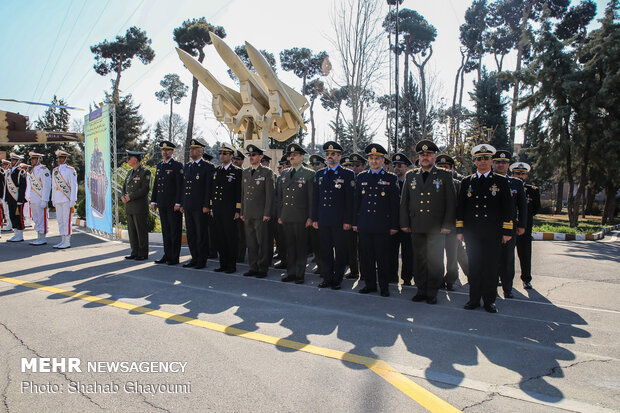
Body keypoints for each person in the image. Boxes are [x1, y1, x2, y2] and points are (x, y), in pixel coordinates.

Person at [456, 144, 513, 313]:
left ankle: (489, 301)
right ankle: (473, 299)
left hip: (493, 232)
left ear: (491, 161)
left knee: (490, 267)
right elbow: (461, 207)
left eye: (486, 158)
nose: (483, 161)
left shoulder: (500, 181)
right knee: (474, 266)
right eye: (479, 159)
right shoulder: (467, 182)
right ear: (475, 161)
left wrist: (507, 231)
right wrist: (460, 230)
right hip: (472, 233)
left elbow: (508, 208)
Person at [400, 140, 456, 304]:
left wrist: (447, 224)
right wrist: (404, 222)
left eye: (428, 154)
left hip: (436, 227)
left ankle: (432, 292)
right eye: (422, 154)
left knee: (435, 260)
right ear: (418, 157)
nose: (425, 157)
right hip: (417, 225)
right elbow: (405, 201)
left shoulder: (444, 175)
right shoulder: (411, 175)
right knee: (419, 259)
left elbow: (451, 202)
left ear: (434, 157)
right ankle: (421, 289)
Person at [353, 143, 399, 297]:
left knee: (383, 258)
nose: (374, 161)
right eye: (371, 158)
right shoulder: (362, 177)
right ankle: (370, 285)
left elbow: (394, 205)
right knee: (367, 258)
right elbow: (357, 202)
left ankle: (384, 287)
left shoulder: (390, 178)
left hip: (382, 225)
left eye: (377, 158)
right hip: (365, 224)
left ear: (383, 160)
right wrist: (355, 222)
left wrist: (394, 225)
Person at [312, 141, 354, 290]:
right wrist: (315, 218)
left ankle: (337, 279)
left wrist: (348, 220)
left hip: (339, 220)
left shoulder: (347, 174)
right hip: (323, 219)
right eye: (328, 154)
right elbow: (316, 198)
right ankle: (327, 278)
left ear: (339, 156)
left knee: (340, 251)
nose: (330, 156)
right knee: (325, 251)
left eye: (333, 154)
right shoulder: (320, 174)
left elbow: (350, 200)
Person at [278, 143, 315, 284]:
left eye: (294, 155)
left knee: (300, 247)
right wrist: (280, 215)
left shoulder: (309, 173)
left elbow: (311, 198)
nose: (291, 157)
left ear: (302, 157)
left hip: (301, 217)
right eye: (290, 155)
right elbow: (280, 197)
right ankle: (291, 272)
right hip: (287, 216)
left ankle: (300, 274)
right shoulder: (285, 173)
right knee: (290, 246)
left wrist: (311, 217)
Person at [493, 150, 527, 298]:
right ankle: (491, 287)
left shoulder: (516, 183)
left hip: (509, 227)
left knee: (507, 259)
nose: (501, 165)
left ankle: (508, 288)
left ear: (508, 165)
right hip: (490, 227)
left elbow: (522, 206)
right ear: (493, 163)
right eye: (498, 162)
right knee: (491, 259)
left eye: (504, 162)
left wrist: (522, 225)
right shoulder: (487, 180)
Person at [241, 144, 275, 278]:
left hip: (261, 214)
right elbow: (243, 194)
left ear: (261, 157)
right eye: (250, 155)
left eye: (254, 155)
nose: (251, 157)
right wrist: (243, 211)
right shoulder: (245, 172)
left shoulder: (267, 172)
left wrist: (267, 213)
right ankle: (253, 267)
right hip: (248, 213)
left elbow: (270, 195)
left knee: (263, 242)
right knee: (251, 242)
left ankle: (262, 268)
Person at [436, 154, 468, 290]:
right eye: (440, 167)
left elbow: (462, 208)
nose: (444, 169)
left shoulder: (458, 184)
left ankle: (450, 280)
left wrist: (461, 228)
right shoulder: (432, 183)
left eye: (447, 167)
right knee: (436, 256)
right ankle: (438, 280)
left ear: (453, 169)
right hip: (436, 226)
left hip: (453, 226)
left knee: (452, 256)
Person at [181, 139, 214, 269]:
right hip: (189, 205)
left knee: (201, 234)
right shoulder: (188, 166)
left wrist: (207, 205)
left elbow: (208, 188)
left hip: (200, 207)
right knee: (191, 234)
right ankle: (194, 257)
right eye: (190, 149)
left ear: (201, 151)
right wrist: (183, 203)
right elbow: (185, 187)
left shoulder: (207, 167)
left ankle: (202, 259)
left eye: (194, 149)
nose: (191, 151)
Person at [150, 141, 183, 265]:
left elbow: (180, 186)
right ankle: (167, 254)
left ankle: (174, 257)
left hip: (173, 205)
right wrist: (154, 200)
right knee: (166, 231)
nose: (165, 152)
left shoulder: (177, 165)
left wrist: (178, 203)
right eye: (163, 150)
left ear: (172, 152)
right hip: (162, 203)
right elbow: (156, 185)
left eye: (167, 150)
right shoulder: (160, 166)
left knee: (174, 231)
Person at [211, 143, 242, 273]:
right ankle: (222, 264)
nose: (221, 156)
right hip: (218, 209)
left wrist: (237, 210)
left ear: (231, 156)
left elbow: (239, 192)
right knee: (220, 237)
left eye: (224, 154)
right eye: (220, 153)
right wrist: (212, 207)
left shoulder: (236, 171)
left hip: (229, 210)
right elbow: (213, 191)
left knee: (230, 238)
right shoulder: (217, 170)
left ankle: (231, 265)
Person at [511, 162, 540, 290]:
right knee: (506, 255)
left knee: (525, 255)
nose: (520, 176)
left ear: (526, 176)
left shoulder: (533, 190)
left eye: (523, 174)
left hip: (525, 228)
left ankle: (526, 279)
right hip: (509, 226)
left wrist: (523, 220)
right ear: (512, 174)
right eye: (517, 173)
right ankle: (503, 278)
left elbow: (535, 209)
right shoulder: (507, 186)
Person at [121, 151, 151, 260]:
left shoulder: (145, 172)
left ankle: (142, 253)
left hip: (139, 207)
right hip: (129, 207)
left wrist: (131, 196)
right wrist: (123, 196)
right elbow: (124, 187)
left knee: (141, 231)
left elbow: (145, 188)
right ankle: (134, 251)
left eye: (129, 158)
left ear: (135, 159)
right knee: (132, 231)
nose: (127, 160)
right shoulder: (129, 173)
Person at [390, 153, 414, 286]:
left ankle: (407, 278)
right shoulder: (390, 182)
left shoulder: (411, 183)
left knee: (408, 253)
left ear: (406, 168)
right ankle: (392, 276)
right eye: (395, 165)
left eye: (400, 165)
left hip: (407, 224)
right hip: (393, 223)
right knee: (391, 252)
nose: (396, 168)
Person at [345, 153, 366, 280]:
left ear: (364, 166)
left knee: (364, 249)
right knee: (351, 247)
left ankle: (364, 272)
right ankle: (354, 271)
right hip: (350, 218)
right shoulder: (347, 178)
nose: (354, 168)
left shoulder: (366, 178)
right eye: (352, 165)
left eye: (357, 165)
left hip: (363, 218)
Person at [25, 152, 51, 245]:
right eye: (31, 159)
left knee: (41, 218)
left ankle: (42, 237)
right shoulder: (33, 170)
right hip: (34, 198)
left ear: (39, 159)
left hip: (40, 198)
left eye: (33, 159)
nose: (31, 161)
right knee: (36, 218)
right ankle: (38, 236)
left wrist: (45, 200)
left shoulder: (44, 170)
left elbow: (46, 186)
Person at [273, 154, 290, 269]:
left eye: (286, 164)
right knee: (281, 239)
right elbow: (276, 197)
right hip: (280, 214)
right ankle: (283, 260)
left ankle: (292, 263)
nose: (285, 166)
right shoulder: (280, 178)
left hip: (292, 214)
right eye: (284, 165)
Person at [5, 153, 27, 242]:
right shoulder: (9, 171)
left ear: (18, 162)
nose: (12, 162)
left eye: (14, 160)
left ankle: (20, 235)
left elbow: (22, 187)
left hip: (17, 198)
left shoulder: (20, 172)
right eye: (12, 160)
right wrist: (6, 198)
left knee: (18, 216)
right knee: (12, 215)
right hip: (10, 198)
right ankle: (15, 234)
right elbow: (7, 186)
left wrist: (20, 199)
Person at [233, 149, 247, 263]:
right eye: (234, 159)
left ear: (242, 161)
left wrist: (240, 209)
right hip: (229, 208)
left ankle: (240, 254)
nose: (235, 161)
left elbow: (243, 193)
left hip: (240, 208)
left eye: (238, 159)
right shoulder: (230, 172)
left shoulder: (243, 173)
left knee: (240, 233)